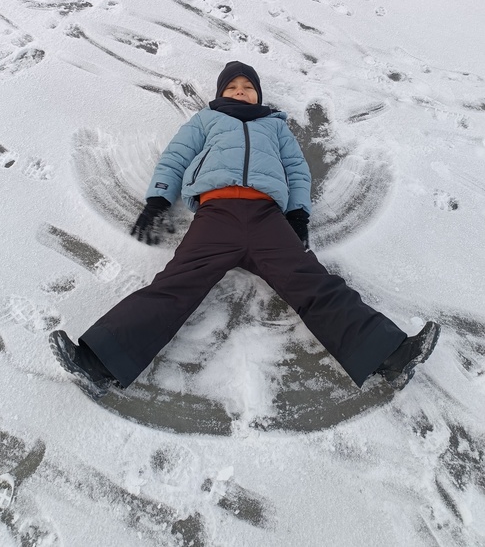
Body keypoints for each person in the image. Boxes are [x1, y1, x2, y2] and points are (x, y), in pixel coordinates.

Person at [49, 61, 441, 400]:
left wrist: (298, 215)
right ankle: (98, 362)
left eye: (247, 87)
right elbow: (176, 157)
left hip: (267, 218)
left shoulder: (275, 127)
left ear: (258, 95)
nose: (240, 91)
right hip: (216, 214)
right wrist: (158, 200)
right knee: (176, 285)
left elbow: (297, 171)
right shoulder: (207, 120)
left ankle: (391, 356)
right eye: (233, 87)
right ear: (221, 93)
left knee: (312, 282)